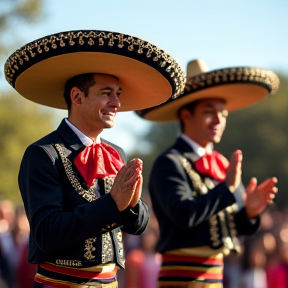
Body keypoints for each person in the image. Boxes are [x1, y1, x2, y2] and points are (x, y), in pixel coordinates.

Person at [4, 29, 185, 287]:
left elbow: (139, 225)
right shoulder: (43, 153)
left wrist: (132, 205)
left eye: (118, 94)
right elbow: (47, 233)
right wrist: (114, 204)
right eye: (106, 93)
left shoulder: (116, 153)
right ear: (77, 97)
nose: (116, 103)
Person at [136, 59, 280, 288]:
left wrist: (251, 212)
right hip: (180, 280)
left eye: (223, 113)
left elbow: (235, 225)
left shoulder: (222, 165)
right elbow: (184, 215)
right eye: (209, 112)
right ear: (186, 115)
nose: (218, 120)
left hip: (216, 278)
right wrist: (226, 189)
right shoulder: (169, 162)